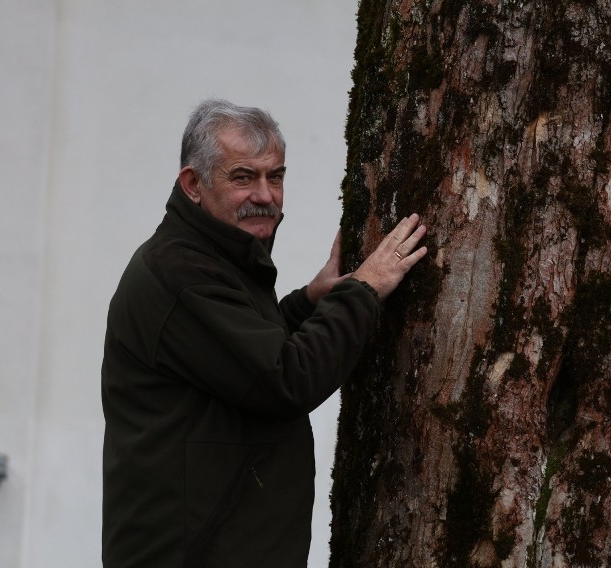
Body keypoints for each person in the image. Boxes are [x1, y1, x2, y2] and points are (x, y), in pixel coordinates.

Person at [101, 99, 427, 567]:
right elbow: (284, 378)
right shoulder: (180, 272)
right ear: (194, 185)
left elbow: (239, 359)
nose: (266, 195)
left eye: (275, 176)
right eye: (243, 177)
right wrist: (363, 290)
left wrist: (310, 300)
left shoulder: (212, 258)